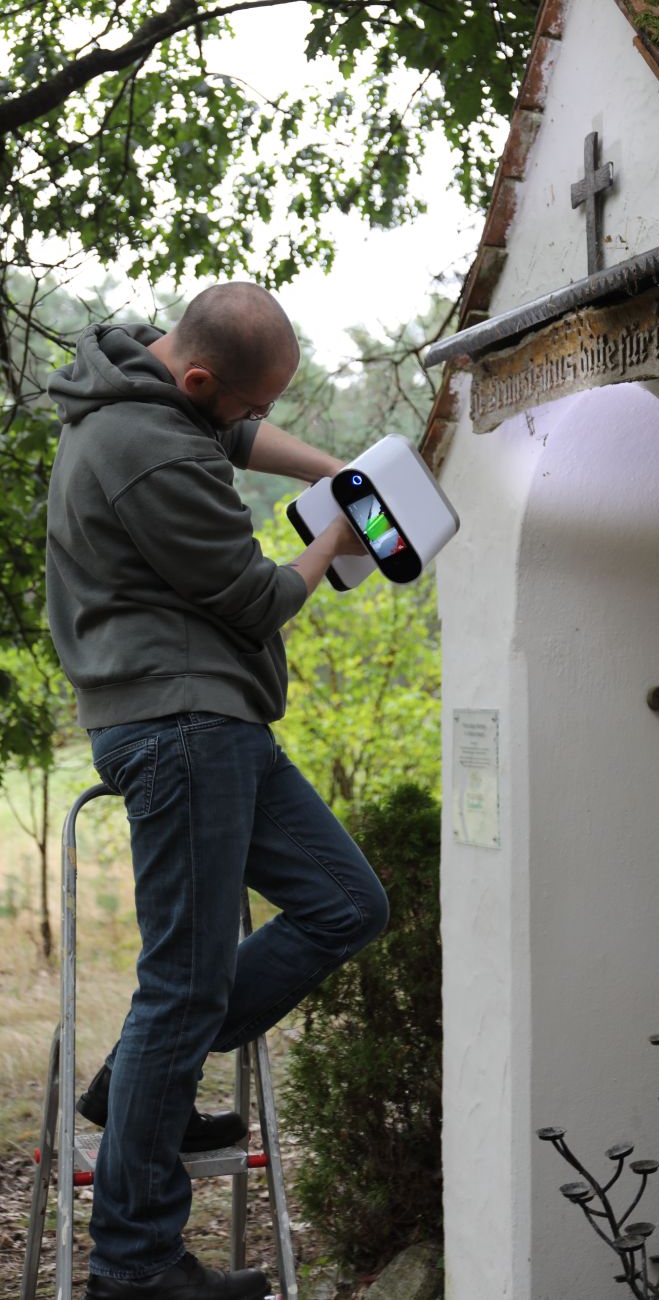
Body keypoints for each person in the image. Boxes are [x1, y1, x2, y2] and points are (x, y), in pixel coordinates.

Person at [45, 282, 390, 1300]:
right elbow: (258, 599)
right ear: (198, 379)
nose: (251, 427)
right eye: (246, 406)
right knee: (183, 988)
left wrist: (342, 473)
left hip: (217, 724)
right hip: (184, 726)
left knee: (345, 903)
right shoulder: (149, 452)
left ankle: (139, 1081)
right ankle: (136, 1265)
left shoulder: (145, 403)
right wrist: (341, 537)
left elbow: (227, 441)